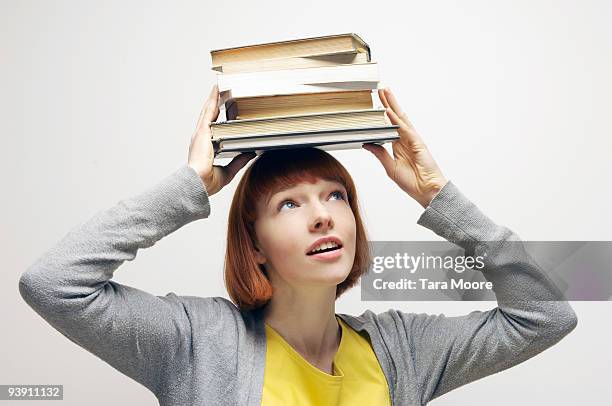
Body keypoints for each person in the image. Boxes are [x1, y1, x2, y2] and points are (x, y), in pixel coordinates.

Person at [19, 85, 578, 406]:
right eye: (290, 204)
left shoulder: (403, 348)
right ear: (254, 245)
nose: (321, 216)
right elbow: (54, 284)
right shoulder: (194, 343)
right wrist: (191, 186)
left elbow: (545, 318)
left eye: (336, 196)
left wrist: (438, 195)